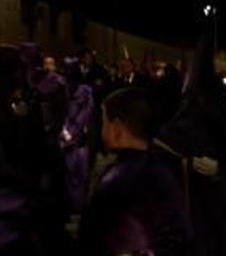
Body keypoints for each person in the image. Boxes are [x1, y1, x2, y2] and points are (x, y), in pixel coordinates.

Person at [77, 87, 189, 256]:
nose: (102, 129)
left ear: (117, 129)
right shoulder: (162, 171)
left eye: (105, 122)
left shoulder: (119, 178)